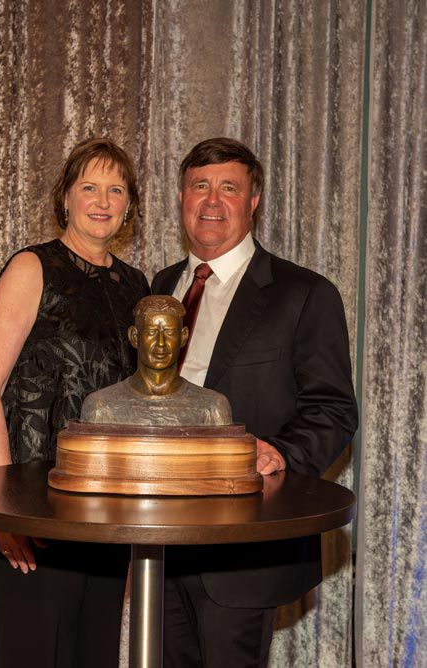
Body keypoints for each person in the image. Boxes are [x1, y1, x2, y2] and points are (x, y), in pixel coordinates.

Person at [152, 137, 358, 667]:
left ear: (253, 201)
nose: (212, 201)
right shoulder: (158, 290)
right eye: (200, 186)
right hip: (156, 539)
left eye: (229, 188)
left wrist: (281, 453)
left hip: (242, 546)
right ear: (181, 197)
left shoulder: (303, 293)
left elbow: (332, 409)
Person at [0, 138, 149, 667]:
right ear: (65, 198)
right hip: (32, 509)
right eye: (89, 186)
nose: (102, 199)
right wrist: (4, 512)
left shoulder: (135, 285)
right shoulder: (32, 267)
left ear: (129, 206)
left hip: (104, 508)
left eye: (116, 189)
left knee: (93, 654)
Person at [81, 294, 232, 426]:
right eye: (151, 332)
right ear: (134, 337)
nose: (161, 343)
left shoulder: (212, 408)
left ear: (183, 337)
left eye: (170, 332)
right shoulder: (101, 407)